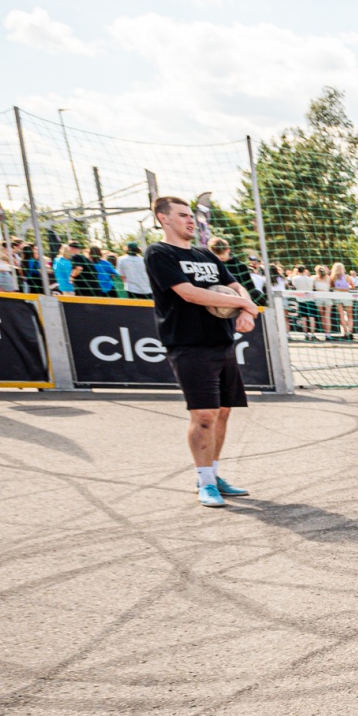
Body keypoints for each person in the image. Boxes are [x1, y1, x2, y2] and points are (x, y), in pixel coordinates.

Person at [147, 196, 260, 509]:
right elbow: (189, 293)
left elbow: (235, 286)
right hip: (188, 344)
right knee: (204, 414)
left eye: (191, 215)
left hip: (221, 342)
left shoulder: (206, 254)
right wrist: (243, 304)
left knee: (223, 411)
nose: (190, 220)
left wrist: (246, 308)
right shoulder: (159, 253)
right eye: (183, 215)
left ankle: (213, 473)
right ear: (163, 218)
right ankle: (205, 482)